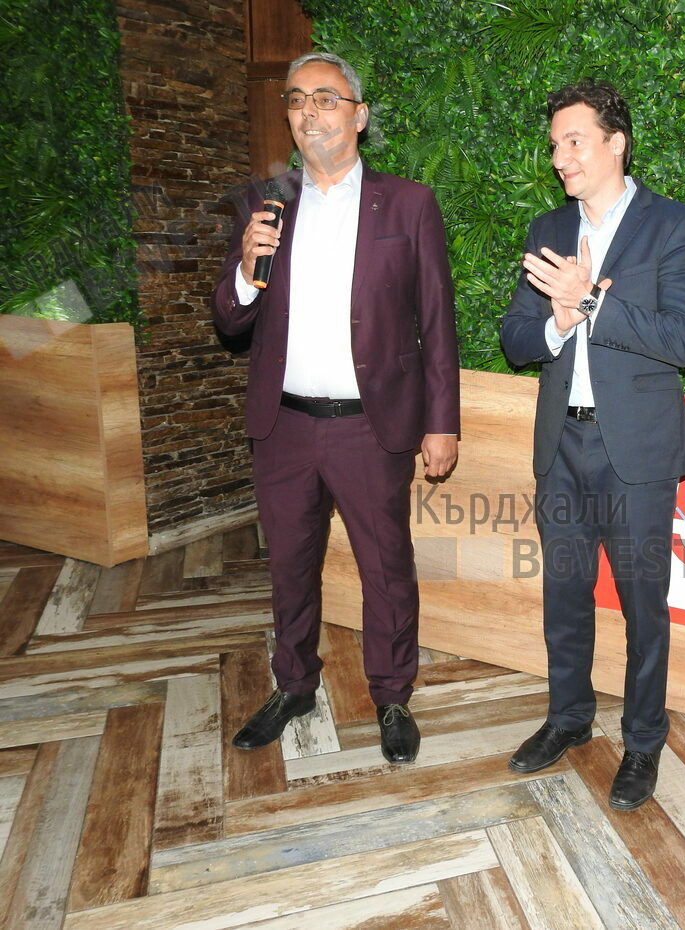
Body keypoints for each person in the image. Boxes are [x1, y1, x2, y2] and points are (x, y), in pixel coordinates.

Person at [211, 51, 459, 765]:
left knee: (386, 566)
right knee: (289, 565)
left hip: (368, 425)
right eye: (296, 99)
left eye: (325, 97)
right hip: (283, 425)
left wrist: (442, 421)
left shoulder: (407, 203)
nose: (308, 111)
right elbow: (229, 319)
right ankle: (293, 685)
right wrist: (246, 271)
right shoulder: (265, 204)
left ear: (360, 115)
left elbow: (437, 321)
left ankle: (392, 694)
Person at [499, 80, 685, 810]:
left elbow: (682, 340)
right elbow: (516, 338)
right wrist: (557, 322)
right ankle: (569, 718)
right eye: (555, 144)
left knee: (644, 603)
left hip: (637, 453)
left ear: (617, 142)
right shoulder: (547, 229)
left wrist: (591, 301)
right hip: (561, 445)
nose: (560, 157)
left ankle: (643, 740)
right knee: (564, 593)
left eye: (575, 140)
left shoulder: (673, 225)